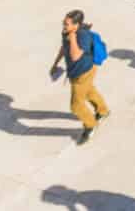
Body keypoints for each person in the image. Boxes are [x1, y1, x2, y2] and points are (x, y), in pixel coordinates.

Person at [47, 9, 109, 145]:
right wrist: (55, 63)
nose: (64, 26)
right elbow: (64, 48)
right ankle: (103, 110)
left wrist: (73, 37)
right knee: (89, 91)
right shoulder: (66, 33)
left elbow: (75, 56)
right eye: (64, 23)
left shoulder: (83, 36)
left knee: (76, 106)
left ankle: (91, 125)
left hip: (84, 72)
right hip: (76, 71)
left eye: (67, 24)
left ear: (76, 25)